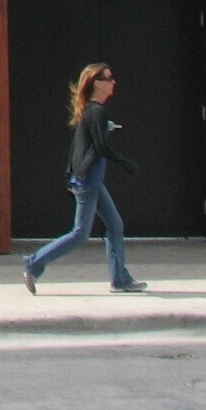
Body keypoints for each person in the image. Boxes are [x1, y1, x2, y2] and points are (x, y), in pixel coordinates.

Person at [22, 63, 147, 294]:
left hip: (91, 180)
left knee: (115, 225)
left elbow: (82, 147)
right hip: (88, 181)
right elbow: (98, 147)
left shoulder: (91, 111)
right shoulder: (96, 111)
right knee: (80, 233)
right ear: (97, 83)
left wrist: (72, 173)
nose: (113, 82)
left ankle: (120, 279)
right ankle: (34, 263)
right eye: (108, 78)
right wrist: (125, 163)